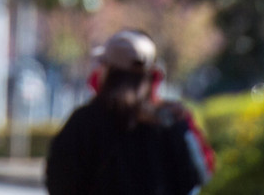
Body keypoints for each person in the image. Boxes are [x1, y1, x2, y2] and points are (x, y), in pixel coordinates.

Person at [45, 30, 215, 195]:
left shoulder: (84, 121)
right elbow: (199, 175)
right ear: (152, 75)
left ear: (108, 71)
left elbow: (59, 179)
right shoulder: (170, 119)